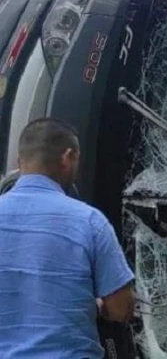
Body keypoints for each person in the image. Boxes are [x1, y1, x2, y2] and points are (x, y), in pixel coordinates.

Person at [0, 118, 135, 358]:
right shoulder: (89, 221)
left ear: (20, 163)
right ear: (69, 156)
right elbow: (121, 308)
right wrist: (98, 307)